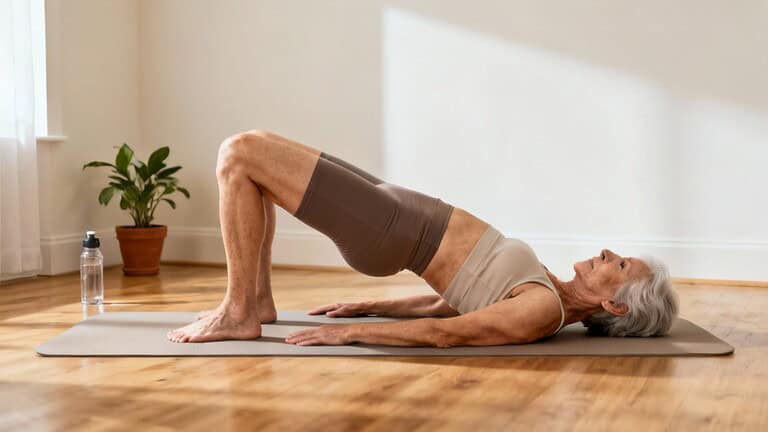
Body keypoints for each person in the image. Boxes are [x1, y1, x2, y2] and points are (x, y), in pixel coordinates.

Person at [167, 130, 680, 346]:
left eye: (621, 265)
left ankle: (238, 312)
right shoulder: (548, 293)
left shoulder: (544, 311)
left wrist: (354, 335)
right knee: (253, 166)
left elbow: (449, 335)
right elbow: (450, 307)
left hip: (390, 229)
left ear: (615, 307)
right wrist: (366, 306)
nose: (609, 253)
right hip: (393, 208)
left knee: (239, 153)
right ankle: (257, 302)